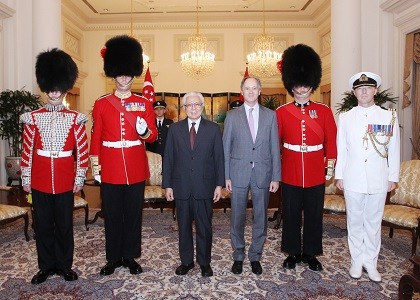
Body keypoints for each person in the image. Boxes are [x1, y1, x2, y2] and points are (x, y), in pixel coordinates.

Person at [89, 35, 158, 276]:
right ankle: (112, 258)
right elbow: (96, 137)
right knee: (112, 215)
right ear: (113, 73)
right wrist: (96, 167)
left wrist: (144, 131)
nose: (124, 78)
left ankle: (129, 256)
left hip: (135, 166)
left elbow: (152, 137)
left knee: (133, 215)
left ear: (133, 73)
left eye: (128, 73)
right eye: (120, 74)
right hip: (110, 166)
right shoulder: (102, 103)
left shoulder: (143, 103)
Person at [20, 48, 88, 284]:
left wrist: (79, 177)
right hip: (39, 180)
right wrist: (26, 178)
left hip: (64, 179)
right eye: (51, 87)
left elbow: (82, 151)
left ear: (64, 86)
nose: (54, 91)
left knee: (65, 226)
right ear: (45, 86)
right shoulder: (33, 117)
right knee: (44, 226)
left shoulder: (75, 118)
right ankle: (46, 266)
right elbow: (27, 150)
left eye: (58, 87)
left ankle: (64, 265)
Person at [276, 44, 337, 272]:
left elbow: (331, 140)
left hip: (315, 171)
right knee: (290, 214)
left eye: (305, 85)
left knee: (314, 215)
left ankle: (311, 253)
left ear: (312, 85)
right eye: (297, 85)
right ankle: (292, 252)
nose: (301, 89)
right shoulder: (281, 112)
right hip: (290, 170)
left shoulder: (323, 111)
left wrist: (329, 165)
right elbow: (276, 144)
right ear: (291, 86)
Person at [335, 72, 400, 282]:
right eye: (360, 89)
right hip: (352, 177)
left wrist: (393, 176)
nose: (364, 92)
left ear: (375, 91)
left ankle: (370, 262)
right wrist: (339, 175)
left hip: (378, 178)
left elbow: (394, 149)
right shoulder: (345, 117)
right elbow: (341, 150)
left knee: (373, 222)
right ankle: (356, 260)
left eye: (368, 88)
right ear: (354, 92)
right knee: (354, 221)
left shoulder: (388, 116)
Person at [162, 92, 225, 277]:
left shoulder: (213, 129)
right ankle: (186, 262)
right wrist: (168, 185)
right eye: (189, 105)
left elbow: (219, 160)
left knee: (204, 227)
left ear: (202, 106)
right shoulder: (174, 129)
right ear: (184, 108)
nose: (193, 108)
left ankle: (205, 263)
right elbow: (169, 158)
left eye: (197, 104)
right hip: (181, 188)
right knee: (183, 228)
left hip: (204, 188)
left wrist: (219, 185)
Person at [223, 76, 281, 275]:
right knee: (237, 216)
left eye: (254, 88)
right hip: (238, 174)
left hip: (263, 174)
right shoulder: (232, 116)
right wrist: (226, 176)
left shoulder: (270, 116)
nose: (250, 91)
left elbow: (275, 147)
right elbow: (225, 148)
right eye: (247, 88)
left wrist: (275, 176)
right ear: (242, 90)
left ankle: (255, 255)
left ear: (259, 91)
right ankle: (238, 255)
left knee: (260, 217)